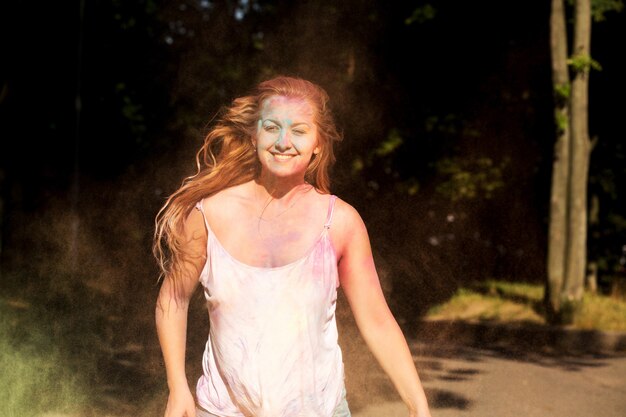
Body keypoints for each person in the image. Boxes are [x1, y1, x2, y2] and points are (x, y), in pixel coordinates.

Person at [153, 75, 432, 417]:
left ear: (318, 143)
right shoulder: (209, 214)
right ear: (254, 133)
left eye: (299, 130)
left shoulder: (340, 222)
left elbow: (376, 320)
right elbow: (174, 297)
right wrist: (177, 387)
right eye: (272, 127)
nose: (284, 141)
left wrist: (418, 406)